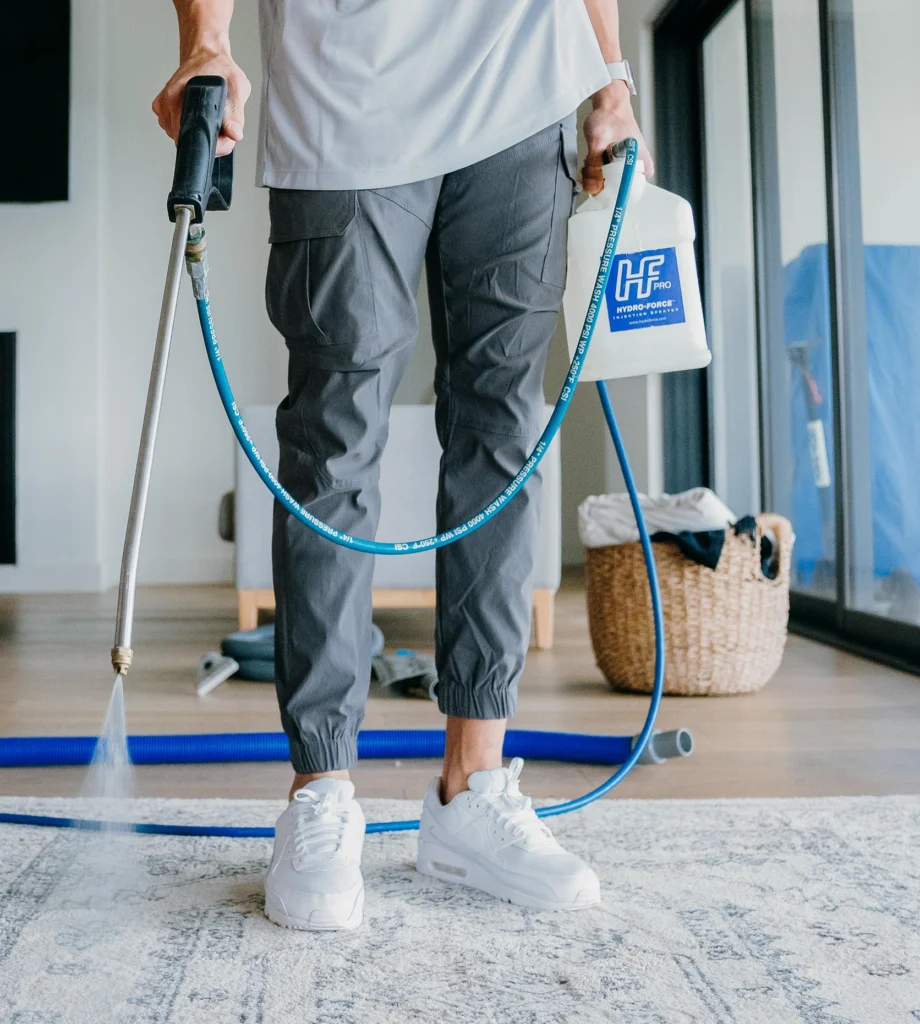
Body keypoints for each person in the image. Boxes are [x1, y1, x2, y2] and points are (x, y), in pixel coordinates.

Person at [154, 0, 652, 931]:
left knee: (503, 430)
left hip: (522, 81)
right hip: (343, 96)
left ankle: (473, 788)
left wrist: (610, 70)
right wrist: (206, 42)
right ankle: (322, 787)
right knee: (334, 440)